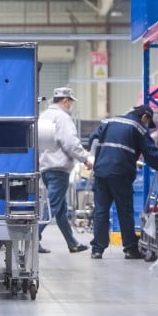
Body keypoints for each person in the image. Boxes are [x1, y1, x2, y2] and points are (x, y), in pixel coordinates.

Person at [87, 104, 158, 260]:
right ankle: (130, 248)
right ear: (144, 117)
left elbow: (92, 139)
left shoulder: (109, 121)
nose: (147, 126)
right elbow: (151, 154)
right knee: (124, 211)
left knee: (101, 211)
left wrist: (96, 159)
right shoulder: (138, 127)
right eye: (148, 122)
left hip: (101, 171)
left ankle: (97, 249)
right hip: (120, 172)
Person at [37, 87, 92, 254]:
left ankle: (72, 243)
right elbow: (70, 142)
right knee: (52, 207)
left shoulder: (44, 116)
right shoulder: (63, 117)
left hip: (46, 168)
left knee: (60, 210)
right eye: (70, 103)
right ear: (66, 101)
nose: (71, 106)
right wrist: (85, 158)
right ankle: (32, 238)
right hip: (59, 169)